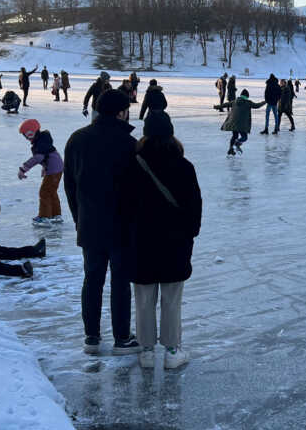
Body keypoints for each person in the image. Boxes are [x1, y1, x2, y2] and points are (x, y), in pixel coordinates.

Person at [64, 89, 141, 355]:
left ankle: (91, 337)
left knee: (92, 279)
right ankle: (121, 338)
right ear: (121, 112)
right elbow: (137, 191)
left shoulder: (77, 139)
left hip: (90, 223)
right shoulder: (130, 144)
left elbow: (70, 186)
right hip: (122, 226)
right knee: (120, 281)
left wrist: (79, 218)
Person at [126, 111, 202, 369]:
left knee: (144, 299)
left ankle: (146, 351)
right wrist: (190, 234)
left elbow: (122, 207)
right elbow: (195, 207)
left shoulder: (132, 165)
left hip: (141, 243)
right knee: (171, 300)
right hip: (175, 244)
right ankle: (171, 351)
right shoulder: (184, 166)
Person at [18, 118, 64, 225]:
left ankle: (44, 217)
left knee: (44, 192)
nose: (25, 138)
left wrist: (23, 169)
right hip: (56, 168)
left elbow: (38, 158)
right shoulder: (42, 140)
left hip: (53, 170)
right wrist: (45, 167)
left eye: (25, 135)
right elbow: (47, 156)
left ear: (30, 133)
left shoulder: (40, 143)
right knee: (51, 192)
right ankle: (56, 215)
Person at [221, 89, 263, 155]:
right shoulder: (248, 103)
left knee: (234, 136)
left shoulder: (234, 101)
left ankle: (230, 149)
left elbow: (226, 104)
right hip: (241, 124)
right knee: (244, 137)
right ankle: (237, 143)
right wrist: (265, 102)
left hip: (233, 122)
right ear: (247, 96)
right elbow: (257, 105)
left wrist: (217, 106)